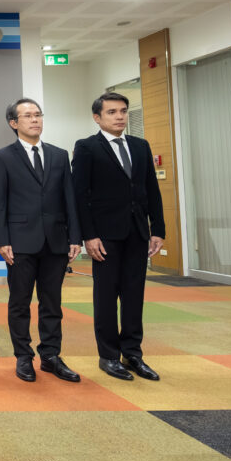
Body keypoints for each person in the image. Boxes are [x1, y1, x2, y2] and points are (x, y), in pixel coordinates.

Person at [72, 92, 165, 382]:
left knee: (134, 295)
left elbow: (151, 189)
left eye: (123, 111)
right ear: (97, 117)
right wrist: (89, 236)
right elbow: (80, 195)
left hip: (137, 232)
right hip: (104, 236)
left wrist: (158, 229)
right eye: (112, 112)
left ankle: (133, 354)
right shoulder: (87, 147)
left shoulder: (140, 145)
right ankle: (109, 356)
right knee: (106, 297)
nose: (120, 116)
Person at [0, 99, 82, 383]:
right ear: (13, 123)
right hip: (19, 242)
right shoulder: (2, 157)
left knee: (52, 303)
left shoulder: (59, 155)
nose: (35, 120)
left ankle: (51, 356)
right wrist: (2, 240)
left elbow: (70, 198)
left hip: (56, 240)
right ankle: (23, 356)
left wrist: (75, 236)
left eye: (38, 115)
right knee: (20, 302)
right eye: (28, 116)